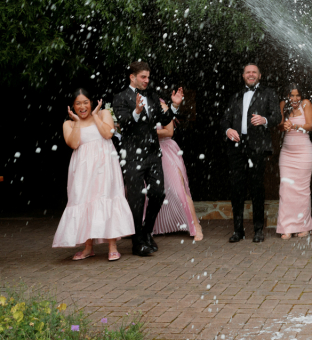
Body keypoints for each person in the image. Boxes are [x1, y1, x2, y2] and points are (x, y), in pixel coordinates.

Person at [54, 89, 135, 261]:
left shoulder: (104, 113)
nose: (82, 107)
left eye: (85, 102)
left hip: (105, 164)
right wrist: (76, 122)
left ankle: (112, 246)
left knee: (107, 197)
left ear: (91, 102)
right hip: (83, 169)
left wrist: (96, 116)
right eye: (78, 103)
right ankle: (88, 247)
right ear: (72, 107)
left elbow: (107, 134)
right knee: (84, 200)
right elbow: (74, 143)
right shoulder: (68, 124)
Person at [113, 62, 184, 256]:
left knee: (158, 193)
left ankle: (146, 231)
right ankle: (137, 243)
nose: (147, 80)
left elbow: (165, 118)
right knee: (136, 199)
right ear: (132, 77)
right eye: (143, 77)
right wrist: (136, 111)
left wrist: (174, 106)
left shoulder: (152, 95)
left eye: (148, 77)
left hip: (153, 154)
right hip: (132, 156)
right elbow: (125, 124)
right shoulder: (120, 97)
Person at [221, 63, 280, 243]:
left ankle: (258, 230)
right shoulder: (236, 95)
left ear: (260, 76)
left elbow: (277, 117)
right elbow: (224, 120)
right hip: (237, 147)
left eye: (254, 72)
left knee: (257, 188)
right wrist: (228, 131)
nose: (251, 75)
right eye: (248, 72)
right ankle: (238, 231)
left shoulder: (268, 93)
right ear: (243, 75)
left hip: (257, 147)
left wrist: (264, 120)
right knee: (237, 189)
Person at [150, 99, 203, 241]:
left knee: (178, 188)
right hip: (147, 151)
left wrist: (148, 132)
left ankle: (195, 225)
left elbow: (169, 131)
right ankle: (149, 227)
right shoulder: (136, 105)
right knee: (148, 190)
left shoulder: (161, 105)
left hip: (165, 149)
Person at [277, 84, 312, 239]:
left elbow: (309, 126)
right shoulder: (282, 105)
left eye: (297, 95)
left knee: (301, 190)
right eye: (291, 95)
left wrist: (294, 125)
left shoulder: (306, 103)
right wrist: (284, 125)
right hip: (287, 153)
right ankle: (286, 227)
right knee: (286, 189)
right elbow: (279, 127)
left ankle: (303, 225)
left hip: (303, 152)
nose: (294, 99)